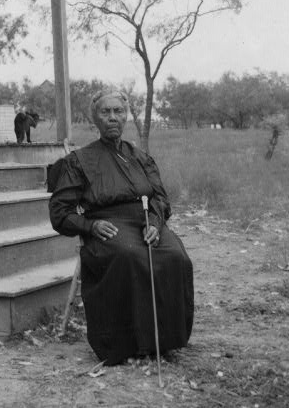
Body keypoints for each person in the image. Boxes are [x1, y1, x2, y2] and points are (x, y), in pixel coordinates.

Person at [49, 90, 194, 365]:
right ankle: (127, 345)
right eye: (105, 112)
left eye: (118, 111)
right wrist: (90, 226)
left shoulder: (140, 158)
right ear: (95, 118)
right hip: (107, 227)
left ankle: (166, 341)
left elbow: (160, 198)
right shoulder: (80, 161)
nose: (112, 117)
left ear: (126, 116)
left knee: (176, 257)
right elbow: (59, 212)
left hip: (146, 222)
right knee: (131, 256)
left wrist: (155, 222)